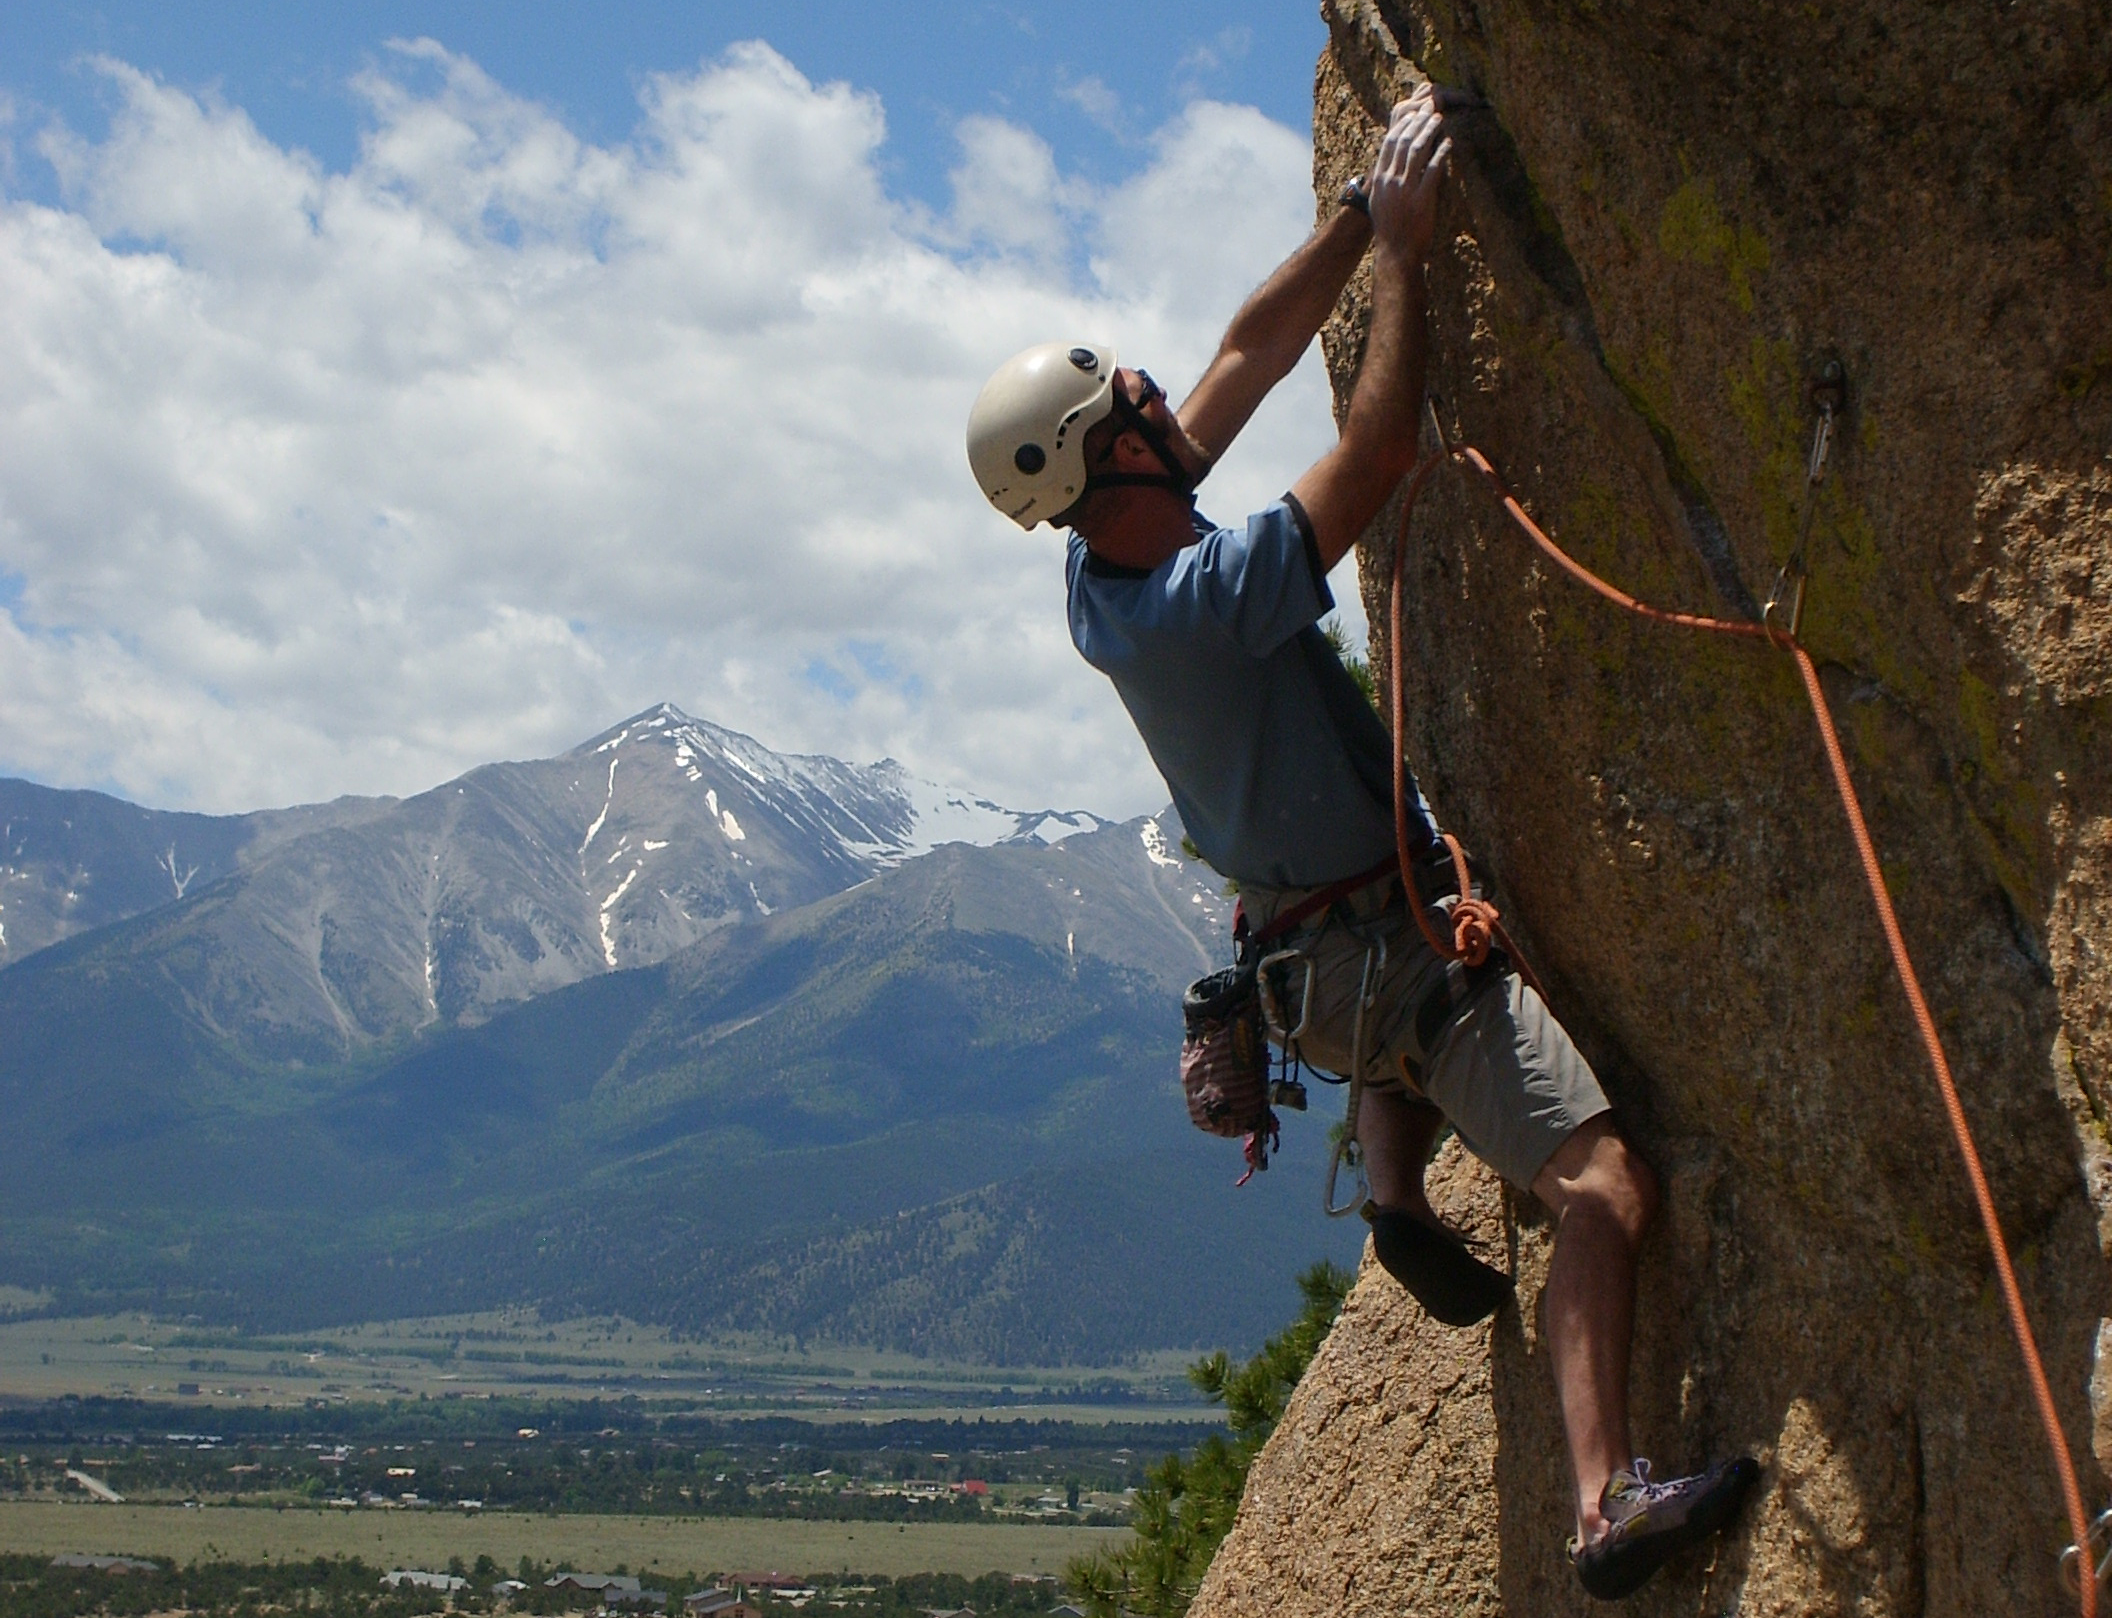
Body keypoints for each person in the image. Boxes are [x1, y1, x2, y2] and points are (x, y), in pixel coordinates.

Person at [964, 85, 1758, 1600]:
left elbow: (1248, 353)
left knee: (1393, 1008)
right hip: (1375, 954)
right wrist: (1400, 257)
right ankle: (1605, 1501)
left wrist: (1347, 209)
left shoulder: (1102, 564)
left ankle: (1395, 1187)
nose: (1158, 400)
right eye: (1131, 402)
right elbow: (1379, 446)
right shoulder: (1205, 599)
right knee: (1601, 1183)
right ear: (1110, 456)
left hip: (1312, 953)